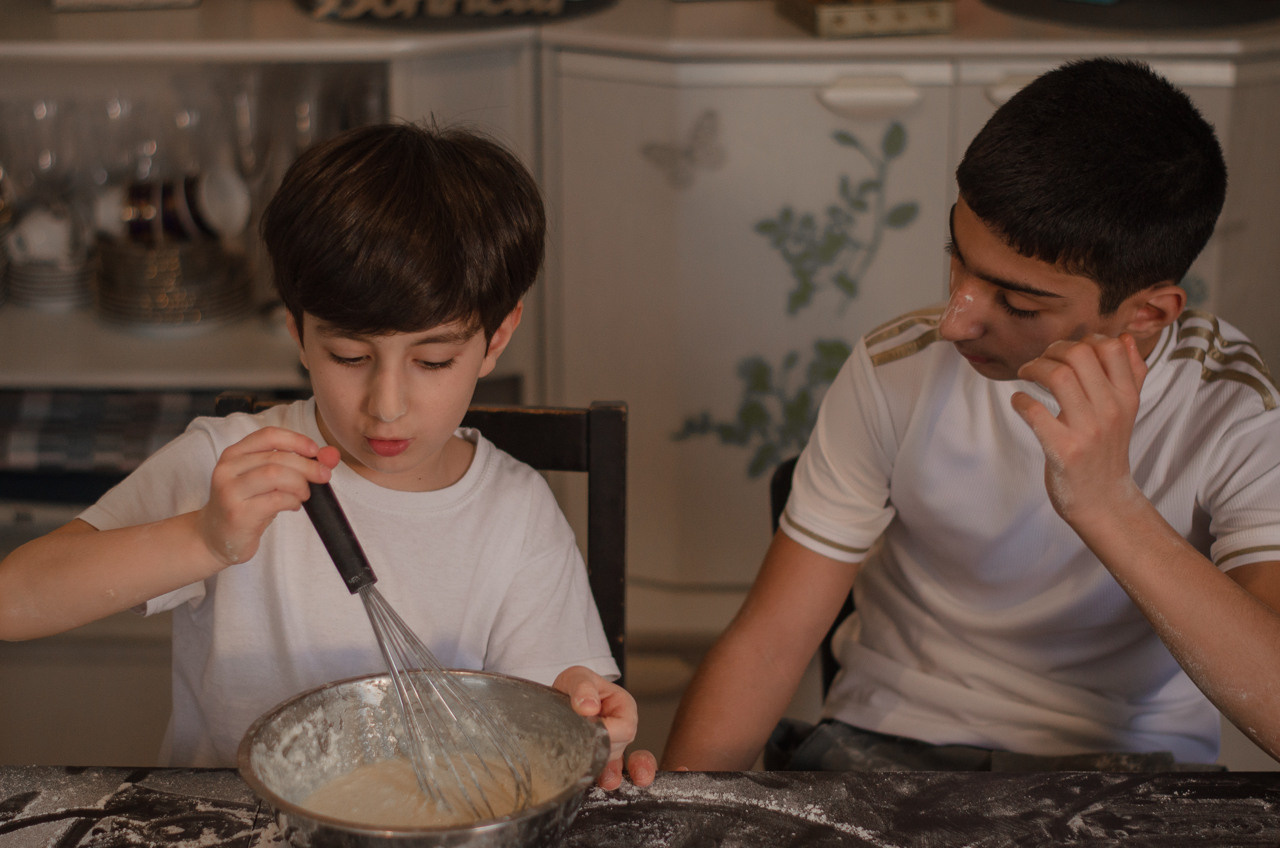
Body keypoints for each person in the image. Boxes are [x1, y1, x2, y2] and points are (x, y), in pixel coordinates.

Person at [662, 57, 1280, 773]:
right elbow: (767, 646)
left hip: (1125, 767)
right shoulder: (896, 370)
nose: (955, 321)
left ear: (1144, 315)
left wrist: (1110, 505)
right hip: (884, 745)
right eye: (958, 258)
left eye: (1017, 303)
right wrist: (674, 816)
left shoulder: (1231, 408)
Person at [0, 122, 656, 789]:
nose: (387, 404)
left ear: (495, 339)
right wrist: (202, 539)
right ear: (298, 331)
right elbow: (15, 600)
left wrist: (584, 702)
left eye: (433, 360)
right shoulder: (231, 466)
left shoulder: (516, 512)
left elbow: (553, 709)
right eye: (349, 356)